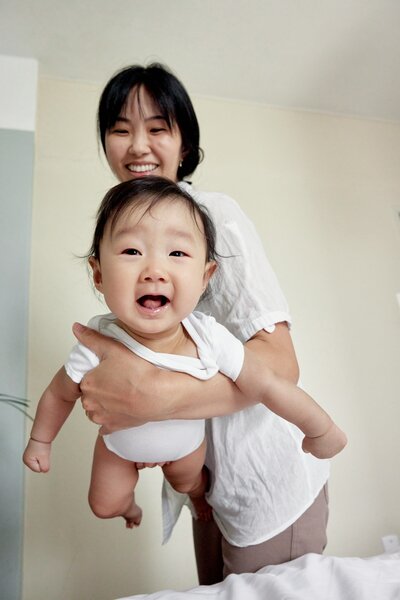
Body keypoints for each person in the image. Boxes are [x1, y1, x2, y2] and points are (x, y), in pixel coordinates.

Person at [70, 63, 342, 582]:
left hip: (266, 480)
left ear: (184, 142)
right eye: (120, 129)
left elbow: (281, 364)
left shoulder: (214, 214)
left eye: (157, 128)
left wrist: (152, 397)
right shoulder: (123, 228)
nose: (137, 146)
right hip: (206, 485)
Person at [23, 177, 346, 542]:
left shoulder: (208, 338)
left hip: (187, 448)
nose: (154, 270)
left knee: (188, 479)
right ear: (98, 273)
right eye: (132, 252)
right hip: (119, 448)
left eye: (177, 254)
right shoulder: (97, 342)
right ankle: (130, 508)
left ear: (206, 276)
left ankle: (195, 491)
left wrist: (320, 428)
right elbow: (59, 394)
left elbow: (270, 383)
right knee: (103, 504)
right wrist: (40, 441)